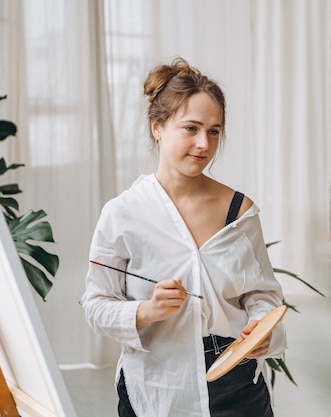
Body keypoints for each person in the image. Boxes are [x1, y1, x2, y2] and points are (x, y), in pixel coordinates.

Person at [80, 57, 286, 417]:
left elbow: (263, 292)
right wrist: (147, 310)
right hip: (156, 389)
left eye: (214, 131)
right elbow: (95, 306)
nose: (204, 144)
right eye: (190, 128)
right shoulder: (123, 213)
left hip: (236, 383)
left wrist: (262, 325)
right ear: (157, 127)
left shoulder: (239, 209)